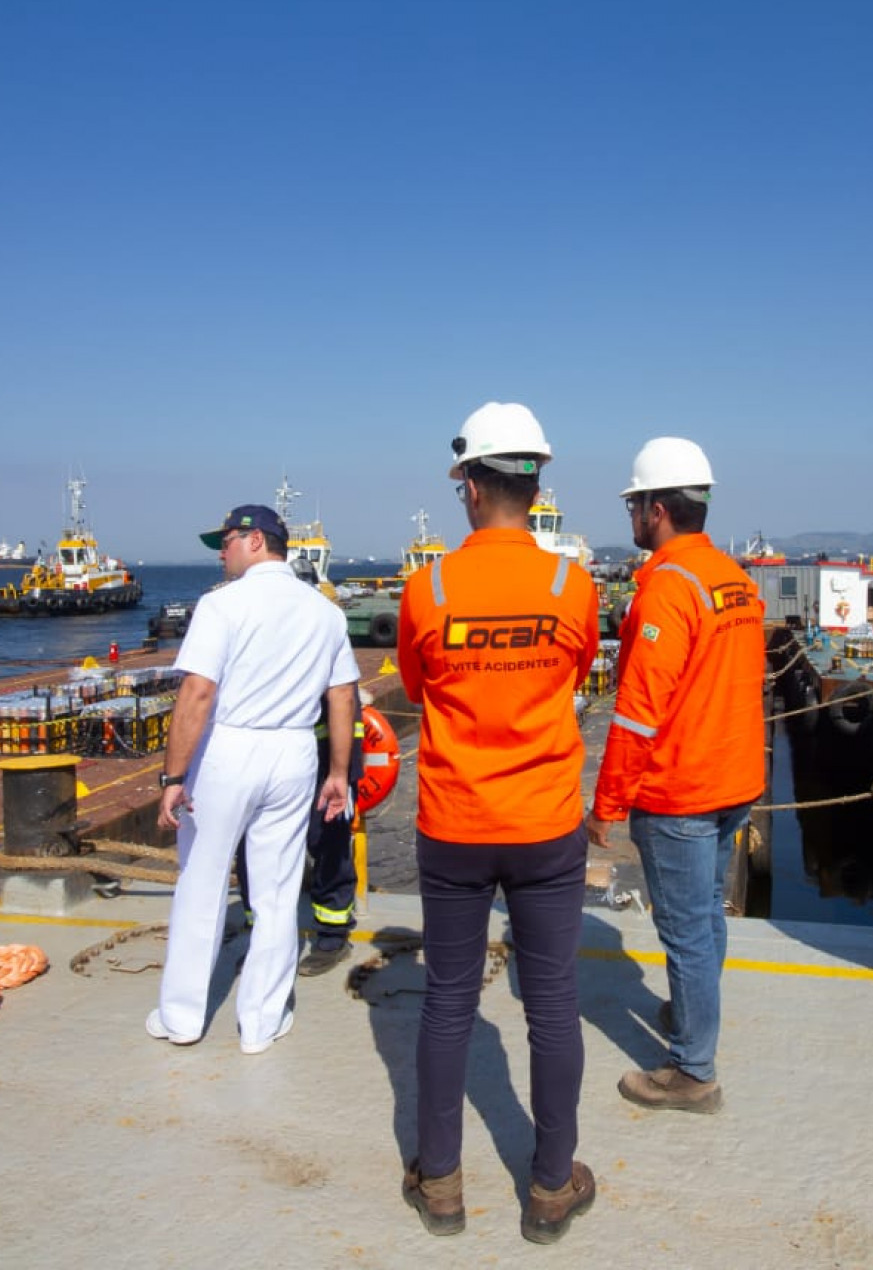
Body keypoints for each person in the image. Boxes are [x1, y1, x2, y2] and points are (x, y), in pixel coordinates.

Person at [396, 402, 601, 1244]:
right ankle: (551, 1185)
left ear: (472, 487)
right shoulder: (572, 585)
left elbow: (415, 688)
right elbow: (576, 673)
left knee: (448, 1000)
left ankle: (440, 1180)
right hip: (546, 824)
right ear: (536, 482)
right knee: (552, 1003)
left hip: (453, 823)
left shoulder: (427, 588)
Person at [588, 436, 766, 1114]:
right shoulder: (733, 579)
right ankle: (691, 1021)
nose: (631, 516)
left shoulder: (667, 588)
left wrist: (607, 803)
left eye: (635, 504)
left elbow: (637, 714)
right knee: (707, 923)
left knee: (687, 931)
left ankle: (693, 1071)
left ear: (656, 509)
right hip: (733, 780)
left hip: (682, 790)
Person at [150, 504, 358, 1052]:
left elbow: (197, 693)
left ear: (256, 540)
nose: (220, 552)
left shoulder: (221, 605)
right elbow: (342, 696)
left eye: (225, 541)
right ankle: (261, 1023)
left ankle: (182, 1018)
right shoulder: (325, 612)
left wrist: (173, 775)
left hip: (228, 748)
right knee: (277, 888)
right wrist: (338, 773)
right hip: (294, 753)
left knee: (202, 881)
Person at [238, 687, 368, 976]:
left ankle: (333, 935)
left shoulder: (324, 642)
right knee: (254, 846)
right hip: (266, 755)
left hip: (324, 756)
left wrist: (342, 769)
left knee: (327, 838)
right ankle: (261, 938)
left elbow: (344, 699)